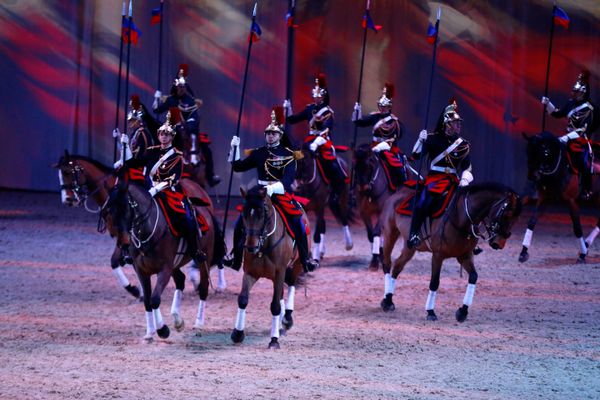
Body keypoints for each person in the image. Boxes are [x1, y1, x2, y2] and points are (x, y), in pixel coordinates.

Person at [223, 106, 318, 273]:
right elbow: (238, 167)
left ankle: (305, 259)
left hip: (280, 193)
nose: (270, 136)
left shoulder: (289, 155)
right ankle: (236, 258)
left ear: (280, 136)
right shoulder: (259, 153)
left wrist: (272, 189)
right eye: (268, 133)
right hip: (259, 194)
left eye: (273, 134)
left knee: (298, 222)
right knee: (240, 222)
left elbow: (288, 180)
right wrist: (235, 149)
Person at [121, 108, 206, 266]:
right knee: (128, 212)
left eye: (167, 135)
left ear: (172, 137)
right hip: (148, 191)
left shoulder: (176, 156)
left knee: (187, 218)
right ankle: (127, 249)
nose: (164, 137)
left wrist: (155, 190)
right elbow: (132, 163)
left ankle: (195, 250)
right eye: (161, 134)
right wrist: (125, 145)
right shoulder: (151, 152)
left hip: (168, 193)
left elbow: (173, 179)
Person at [407, 100, 473, 249]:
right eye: (455, 122)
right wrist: (420, 140)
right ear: (447, 124)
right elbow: (416, 155)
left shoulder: (463, 144)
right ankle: (414, 233)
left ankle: (470, 237)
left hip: (454, 180)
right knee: (423, 201)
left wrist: (464, 179)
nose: (459, 125)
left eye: (459, 123)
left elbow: (467, 167)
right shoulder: (432, 138)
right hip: (435, 179)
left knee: (469, 204)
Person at [153, 64, 220, 187]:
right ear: (176, 87)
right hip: (174, 132)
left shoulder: (189, 100)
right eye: (179, 87)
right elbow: (157, 110)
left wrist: (187, 126)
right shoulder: (171, 100)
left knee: (206, 150)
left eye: (183, 87)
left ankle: (210, 176)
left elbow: (194, 117)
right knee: (161, 146)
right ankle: (159, 172)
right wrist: (156, 99)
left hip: (190, 131)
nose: (181, 89)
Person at [284, 73, 348, 194]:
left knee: (330, 161)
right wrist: (288, 109)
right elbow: (293, 120)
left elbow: (326, 129)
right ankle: (294, 182)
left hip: (323, 140)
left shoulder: (328, 111)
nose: (315, 97)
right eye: (315, 95)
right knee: (297, 156)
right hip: (310, 138)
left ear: (323, 97)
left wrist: (316, 143)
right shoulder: (309, 109)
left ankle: (335, 187)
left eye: (318, 95)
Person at [542, 70, 598, 200]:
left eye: (576, 92)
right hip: (567, 137)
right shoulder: (570, 103)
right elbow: (557, 113)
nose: (573, 93)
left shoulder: (589, 108)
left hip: (581, 140)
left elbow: (581, 130)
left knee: (583, 161)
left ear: (582, 92)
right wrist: (548, 103)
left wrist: (565, 138)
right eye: (573, 91)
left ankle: (586, 189)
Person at [353, 82, 406, 189]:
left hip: (387, 148)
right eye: (380, 106)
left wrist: (379, 147)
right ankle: (355, 187)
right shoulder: (375, 117)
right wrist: (357, 110)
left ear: (389, 106)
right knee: (360, 160)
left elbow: (393, 139)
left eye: (384, 106)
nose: (382, 108)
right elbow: (360, 122)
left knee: (396, 166)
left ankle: (399, 186)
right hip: (373, 145)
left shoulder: (394, 122)